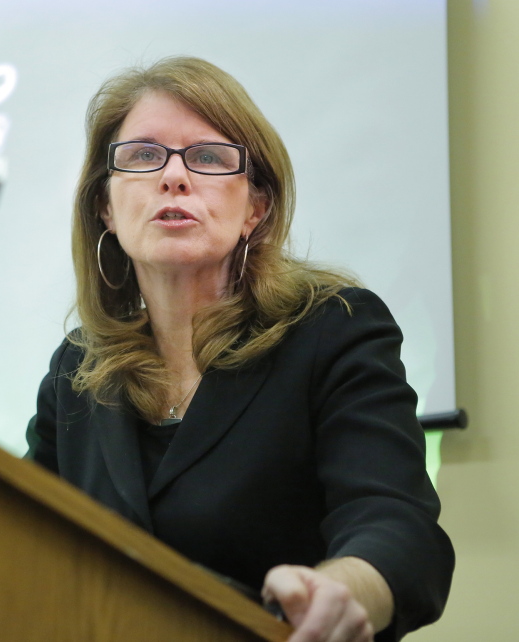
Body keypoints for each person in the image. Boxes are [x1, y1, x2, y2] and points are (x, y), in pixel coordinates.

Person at [25, 57, 453, 642]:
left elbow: (398, 525)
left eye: (207, 157)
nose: (173, 177)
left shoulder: (333, 331)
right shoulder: (78, 372)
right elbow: (19, 539)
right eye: (143, 155)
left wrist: (342, 587)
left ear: (256, 207)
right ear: (105, 206)